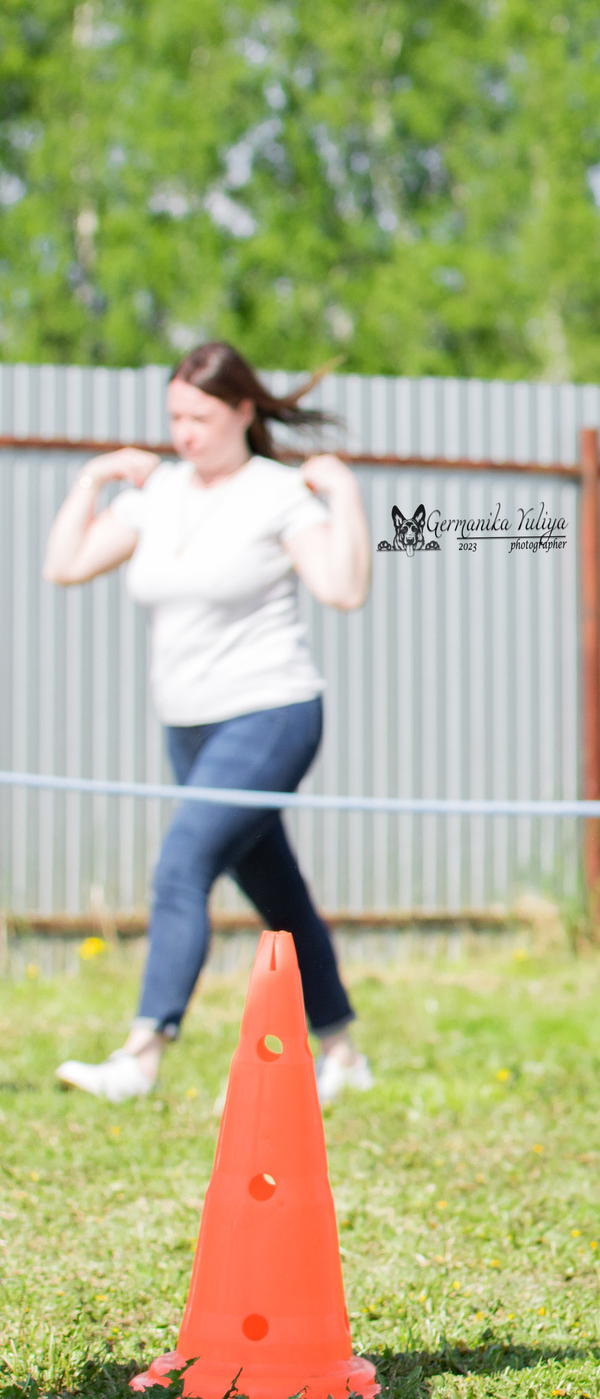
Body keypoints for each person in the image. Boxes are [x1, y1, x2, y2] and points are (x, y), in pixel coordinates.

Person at [40, 343, 376, 1106]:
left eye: (200, 416)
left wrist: (345, 497)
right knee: (278, 895)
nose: (184, 432)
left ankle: (143, 1053)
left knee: (181, 867)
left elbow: (342, 588)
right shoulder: (158, 495)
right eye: (174, 418)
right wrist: (91, 480)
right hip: (188, 726)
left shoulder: (276, 495)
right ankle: (345, 1055)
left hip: (270, 713)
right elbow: (66, 564)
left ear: (244, 411)